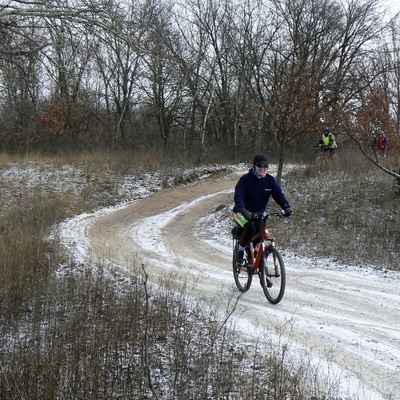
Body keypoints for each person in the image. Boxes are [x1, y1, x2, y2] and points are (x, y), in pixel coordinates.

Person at [233, 154, 292, 265]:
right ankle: (240, 251)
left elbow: (278, 195)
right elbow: (239, 195)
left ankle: (261, 269)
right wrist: (241, 208)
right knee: (250, 228)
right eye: (259, 165)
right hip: (240, 213)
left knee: (260, 233)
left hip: (258, 214)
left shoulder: (270, 181)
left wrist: (286, 207)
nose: (262, 168)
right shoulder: (245, 179)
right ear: (254, 166)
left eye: (265, 166)